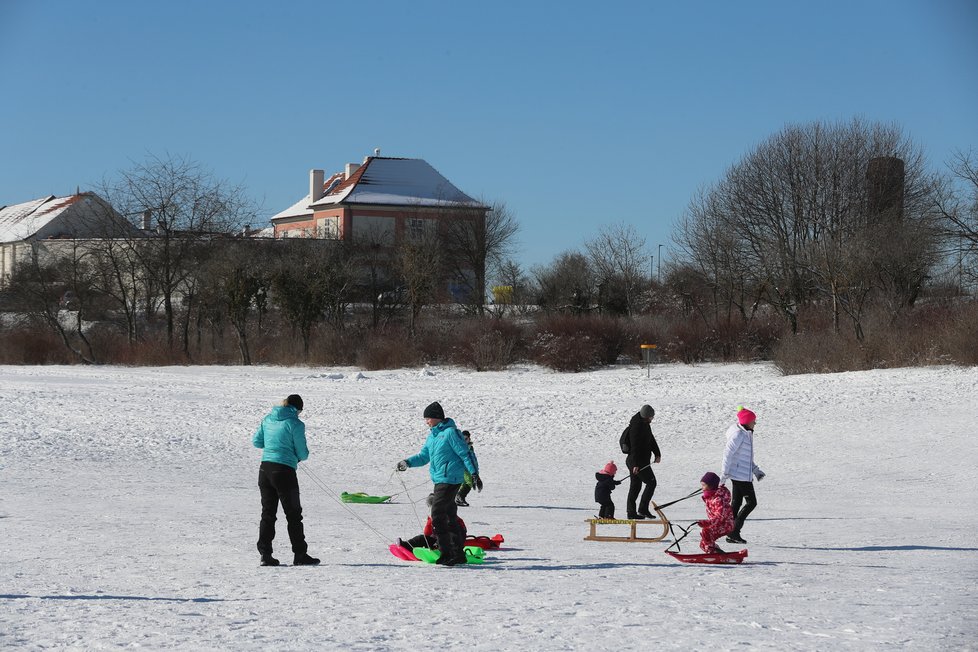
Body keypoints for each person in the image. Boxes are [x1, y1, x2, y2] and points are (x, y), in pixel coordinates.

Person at [396, 401, 481, 566]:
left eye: (428, 418)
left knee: (437, 515)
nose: (426, 421)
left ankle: (446, 552)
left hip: (450, 479)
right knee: (449, 516)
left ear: (436, 417)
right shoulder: (432, 436)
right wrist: (407, 463)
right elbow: (423, 456)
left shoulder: (451, 433)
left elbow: (465, 453)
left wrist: (474, 473)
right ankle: (458, 554)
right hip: (440, 479)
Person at [252, 394, 320, 567]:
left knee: (268, 513)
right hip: (284, 472)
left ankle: (265, 555)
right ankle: (300, 554)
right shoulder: (295, 423)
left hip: (265, 469)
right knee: (293, 514)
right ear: (297, 409)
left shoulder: (267, 419)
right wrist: (291, 455)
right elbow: (303, 453)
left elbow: (257, 442)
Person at [719, 406, 765, 544]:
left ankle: (730, 531)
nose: (755, 423)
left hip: (742, 473)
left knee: (736, 503)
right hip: (740, 475)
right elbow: (727, 454)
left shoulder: (746, 433)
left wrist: (755, 470)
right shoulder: (739, 435)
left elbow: (745, 457)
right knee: (751, 503)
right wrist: (724, 474)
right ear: (746, 421)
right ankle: (734, 532)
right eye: (753, 421)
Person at [624, 404, 661, 519]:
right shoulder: (636, 426)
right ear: (646, 416)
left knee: (636, 486)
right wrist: (635, 464)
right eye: (651, 417)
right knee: (651, 483)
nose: (652, 419)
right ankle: (642, 510)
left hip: (640, 461)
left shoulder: (645, 424)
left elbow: (651, 439)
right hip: (636, 462)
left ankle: (632, 513)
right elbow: (634, 446)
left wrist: (657, 453)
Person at [397, 494, 468, 552]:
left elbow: (459, 530)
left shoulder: (448, 514)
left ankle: (443, 550)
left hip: (454, 538)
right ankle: (406, 546)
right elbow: (427, 533)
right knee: (421, 538)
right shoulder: (432, 517)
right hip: (438, 539)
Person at [697, 471, 735, 553]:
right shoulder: (710, 497)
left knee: (705, 531)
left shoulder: (718, 499)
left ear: (711, 486)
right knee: (703, 544)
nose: (702, 488)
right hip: (717, 524)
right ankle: (715, 552)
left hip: (725, 524)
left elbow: (720, 517)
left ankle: (714, 551)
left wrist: (706, 523)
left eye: (704, 485)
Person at [455, 430, 483, 507]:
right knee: (468, 482)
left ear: (469, 439)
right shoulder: (460, 447)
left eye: (466, 438)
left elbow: (473, 460)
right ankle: (459, 497)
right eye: (463, 438)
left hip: (470, 468)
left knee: (467, 482)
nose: (465, 440)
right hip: (464, 469)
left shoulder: (470, 448)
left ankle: (459, 497)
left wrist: (476, 472)